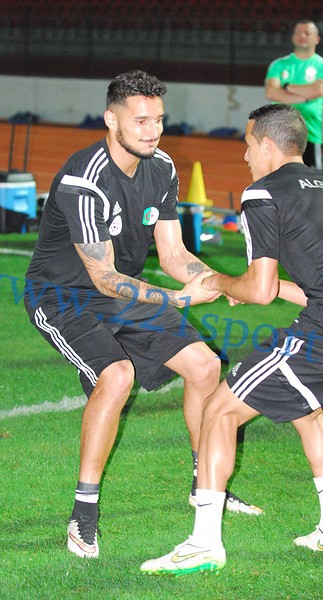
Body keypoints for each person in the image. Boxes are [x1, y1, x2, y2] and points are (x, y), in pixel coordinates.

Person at [140, 103, 323, 576]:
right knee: (308, 410)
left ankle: (203, 543)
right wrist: (257, 286)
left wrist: (218, 282)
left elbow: (257, 291)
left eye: (247, 145)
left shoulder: (262, 192)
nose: (244, 156)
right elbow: (314, 285)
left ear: (265, 144)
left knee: (219, 410)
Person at [23, 70, 263, 560]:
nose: (152, 130)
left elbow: (173, 255)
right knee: (116, 376)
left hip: (121, 291)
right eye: (141, 120)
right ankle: (83, 513)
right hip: (63, 297)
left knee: (205, 366)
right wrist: (176, 300)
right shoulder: (85, 179)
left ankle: (204, 482)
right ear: (111, 120)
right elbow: (104, 278)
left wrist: (218, 282)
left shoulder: (162, 166)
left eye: (158, 119)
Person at [265, 20, 323, 168]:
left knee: (310, 179)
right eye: (298, 32)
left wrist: (287, 86)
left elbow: (318, 90)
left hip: (310, 134)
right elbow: (271, 92)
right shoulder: (278, 64)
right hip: (279, 134)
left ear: (317, 39)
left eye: (307, 33)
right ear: (293, 37)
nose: (302, 36)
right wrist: (305, 97)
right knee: (278, 178)